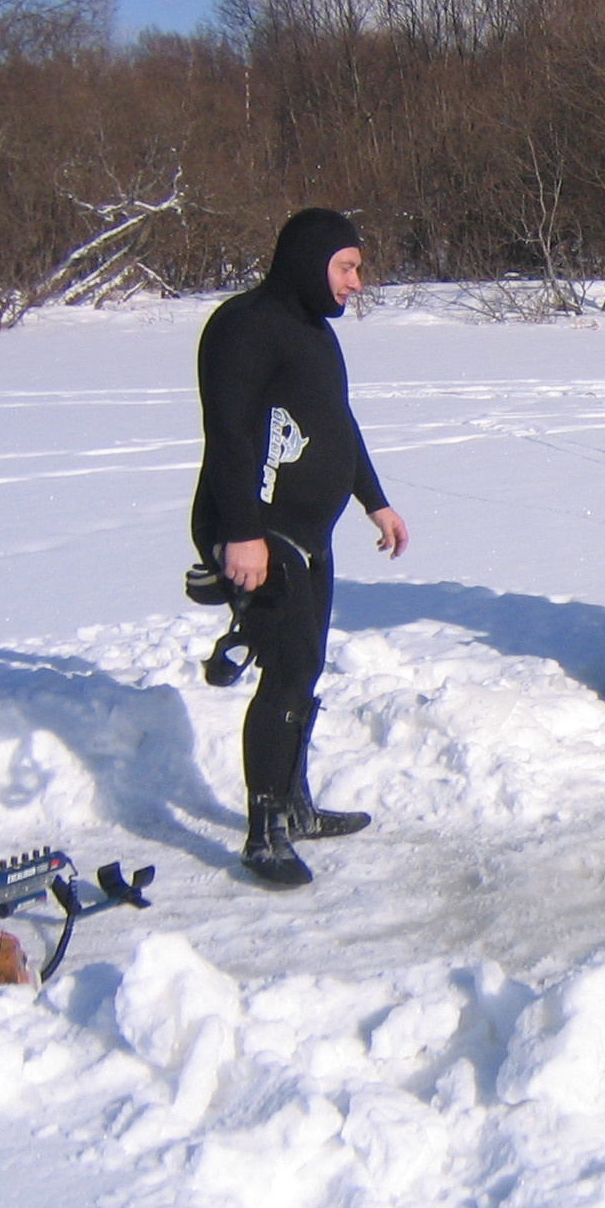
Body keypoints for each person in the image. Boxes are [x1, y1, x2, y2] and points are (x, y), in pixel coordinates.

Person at [192, 208, 409, 885]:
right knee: (284, 671)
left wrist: (374, 499)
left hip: (308, 531)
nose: (356, 282)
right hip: (256, 526)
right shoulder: (244, 327)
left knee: (305, 667)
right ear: (309, 262)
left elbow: (335, 421)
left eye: (358, 269)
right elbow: (228, 434)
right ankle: (264, 833)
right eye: (346, 267)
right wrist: (242, 534)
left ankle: (296, 806)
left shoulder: (313, 333)